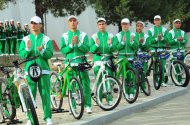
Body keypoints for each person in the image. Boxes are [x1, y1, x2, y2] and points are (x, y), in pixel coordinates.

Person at [19, 16, 54, 125]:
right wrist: (28, 49)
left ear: (40, 25)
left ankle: (48, 117)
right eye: (32, 23)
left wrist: (42, 50)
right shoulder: (25, 39)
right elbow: (21, 54)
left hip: (43, 71)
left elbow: (50, 54)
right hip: (29, 71)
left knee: (45, 94)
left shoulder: (46, 39)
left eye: (35, 23)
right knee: (29, 95)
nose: (33, 25)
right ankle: (30, 119)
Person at [60, 15, 92, 114]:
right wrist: (71, 45)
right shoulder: (64, 36)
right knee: (71, 86)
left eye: (74, 20)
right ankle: (72, 106)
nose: (73, 22)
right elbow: (63, 50)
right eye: (71, 21)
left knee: (85, 84)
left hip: (81, 62)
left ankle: (88, 105)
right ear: (68, 23)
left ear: (77, 23)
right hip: (69, 63)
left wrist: (78, 43)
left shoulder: (83, 35)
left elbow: (87, 49)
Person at [90, 17, 116, 104]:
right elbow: (91, 49)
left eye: (103, 24)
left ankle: (109, 99)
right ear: (97, 25)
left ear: (106, 24)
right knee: (98, 80)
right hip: (98, 59)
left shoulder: (111, 35)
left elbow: (115, 48)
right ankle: (99, 99)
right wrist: (96, 45)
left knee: (108, 79)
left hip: (108, 59)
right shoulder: (94, 36)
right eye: (100, 24)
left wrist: (110, 45)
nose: (101, 26)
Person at [115, 18, 138, 99]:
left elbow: (136, 47)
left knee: (131, 76)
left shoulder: (133, 35)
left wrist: (131, 42)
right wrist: (122, 42)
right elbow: (116, 47)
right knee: (124, 76)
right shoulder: (118, 35)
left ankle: (131, 92)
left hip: (131, 57)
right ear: (121, 25)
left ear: (129, 25)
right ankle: (126, 92)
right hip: (122, 58)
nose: (125, 25)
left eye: (126, 24)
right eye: (123, 24)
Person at [148, 15, 169, 87]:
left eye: (158, 20)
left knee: (162, 66)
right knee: (155, 67)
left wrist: (162, 38)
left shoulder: (164, 30)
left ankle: (162, 81)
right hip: (154, 50)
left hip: (162, 49)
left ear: (160, 21)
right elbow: (149, 41)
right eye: (156, 20)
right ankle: (156, 81)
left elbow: (167, 40)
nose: (157, 21)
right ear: (154, 21)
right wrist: (157, 38)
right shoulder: (150, 30)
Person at [134, 21, 150, 90]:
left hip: (143, 56)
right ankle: (135, 86)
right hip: (135, 56)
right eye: (138, 26)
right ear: (136, 27)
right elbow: (132, 46)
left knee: (144, 71)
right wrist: (138, 43)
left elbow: (148, 46)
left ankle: (143, 86)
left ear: (143, 27)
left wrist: (143, 43)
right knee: (135, 71)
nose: (139, 27)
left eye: (141, 26)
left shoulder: (146, 36)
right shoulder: (133, 35)